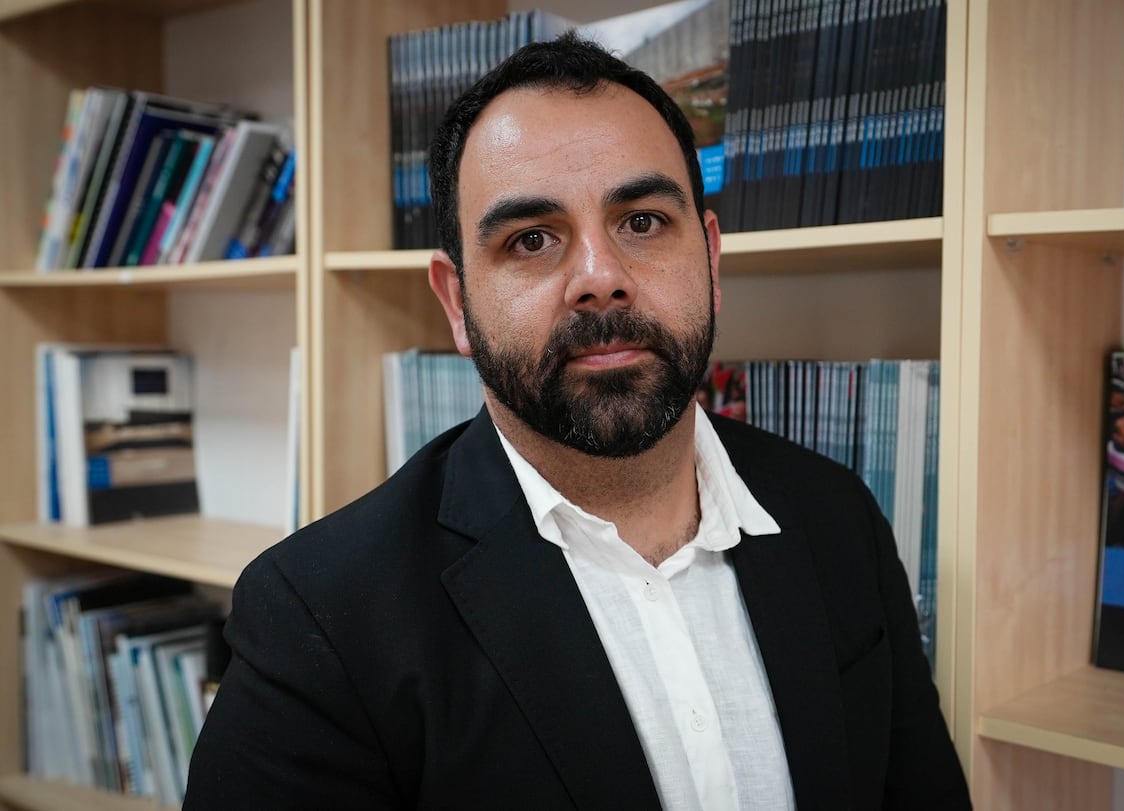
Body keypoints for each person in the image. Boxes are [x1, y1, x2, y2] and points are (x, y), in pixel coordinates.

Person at [184, 33, 970, 810]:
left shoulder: (838, 514)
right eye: (532, 239)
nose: (600, 279)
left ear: (711, 258)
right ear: (457, 302)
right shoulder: (316, 622)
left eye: (642, 222)